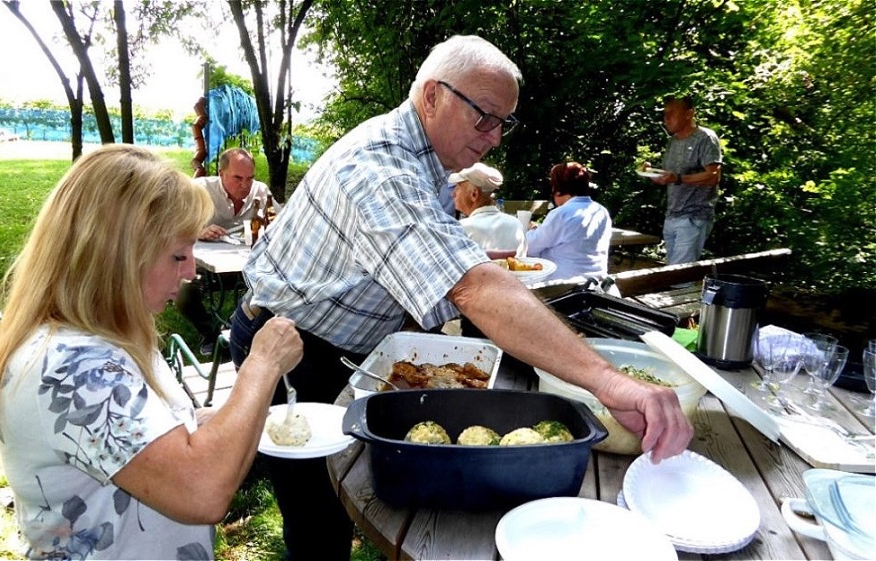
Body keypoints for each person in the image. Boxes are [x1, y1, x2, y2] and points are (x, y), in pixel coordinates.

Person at [228, 35, 694, 561]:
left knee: (347, 503)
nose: (495, 137)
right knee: (317, 522)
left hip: (342, 349)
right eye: (484, 117)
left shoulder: (428, 162)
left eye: (504, 123)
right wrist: (611, 383)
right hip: (290, 351)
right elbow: (470, 286)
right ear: (432, 97)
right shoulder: (378, 170)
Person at [0, 144, 304, 560]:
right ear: (118, 255)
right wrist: (263, 364)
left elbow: (150, 434)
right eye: (177, 255)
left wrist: (227, 419)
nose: (189, 271)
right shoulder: (77, 369)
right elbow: (201, 490)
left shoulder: (104, 336)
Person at [177, 147, 275, 355]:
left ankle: (238, 328)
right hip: (202, 264)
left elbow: (278, 223)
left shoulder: (259, 191)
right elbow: (171, 226)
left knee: (273, 282)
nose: (245, 185)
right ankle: (210, 334)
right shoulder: (198, 190)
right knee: (184, 292)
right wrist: (198, 230)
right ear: (221, 174)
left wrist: (267, 227)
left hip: (243, 263)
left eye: (250, 178)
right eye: (238, 178)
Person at [646, 95, 723, 264]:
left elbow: (713, 176)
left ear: (689, 114)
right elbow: (669, 177)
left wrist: (679, 178)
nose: (666, 119)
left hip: (694, 216)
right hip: (672, 214)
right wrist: (653, 174)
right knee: (672, 272)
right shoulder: (672, 142)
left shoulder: (705, 138)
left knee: (678, 276)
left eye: (672, 113)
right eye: (665, 114)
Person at [525, 162, 612, 281]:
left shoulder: (561, 213)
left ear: (558, 188)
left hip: (563, 286)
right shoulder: (601, 211)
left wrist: (530, 230)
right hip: (596, 282)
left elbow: (530, 247)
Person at [451, 162, 527, 257]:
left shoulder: (463, 228)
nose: (453, 194)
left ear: (474, 194)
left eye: (457, 188)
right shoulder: (516, 224)